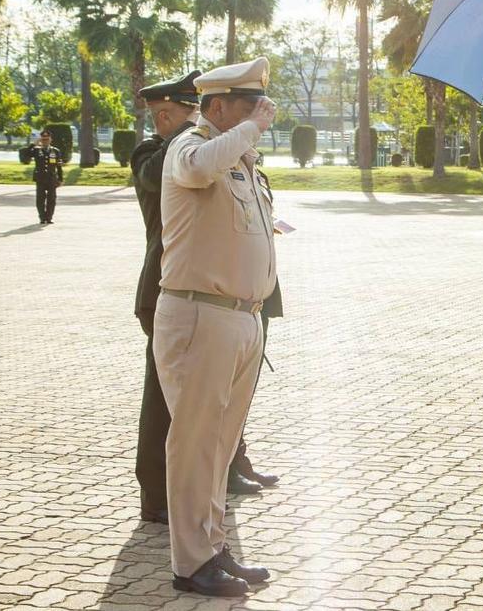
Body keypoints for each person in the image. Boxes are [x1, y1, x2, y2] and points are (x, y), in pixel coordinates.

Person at [154, 56, 277, 597]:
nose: (261, 115)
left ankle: (212, 545)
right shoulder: (189, 145)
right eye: (250, 107)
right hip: (201, 313)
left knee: (221, 448)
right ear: (218, 106)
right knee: (196, 444)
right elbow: (198, 169)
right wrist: (250, 130)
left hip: (241, 317)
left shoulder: (242, 158)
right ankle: (190, 563)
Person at [131, 71, 202, 525]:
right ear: (163, 115)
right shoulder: (150, 153)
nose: (198, 123)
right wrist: (187, 137)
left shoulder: (189, 149)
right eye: (189, 114)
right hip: (161, 291)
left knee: (195, 396)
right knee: (162, 399)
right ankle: (155, 495)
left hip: (194, 289)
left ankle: (190, 486)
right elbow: (162, 176)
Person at [27, 131, 63, 224]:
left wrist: (60, 179)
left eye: (47, 139)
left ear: (51, 139)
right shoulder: (36, 150)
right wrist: (34, 144)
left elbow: (59, 166)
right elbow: (26, 154)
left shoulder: (55, 150)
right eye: (43, 139)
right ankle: (42, 218)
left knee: (52, 199)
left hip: (51, 178)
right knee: (40, 199)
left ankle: (49, 217)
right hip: (40, 178)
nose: (45, 141)